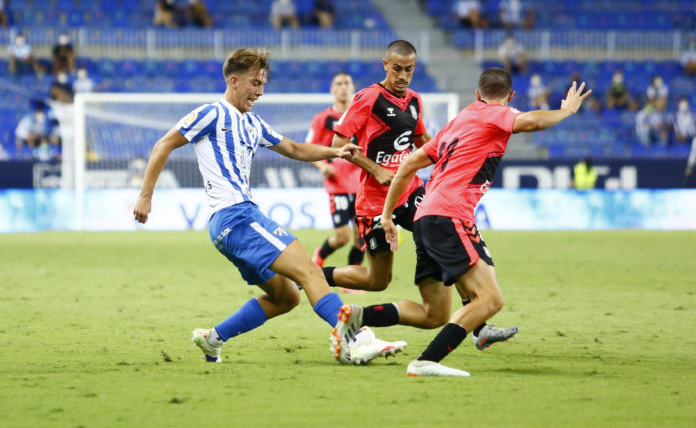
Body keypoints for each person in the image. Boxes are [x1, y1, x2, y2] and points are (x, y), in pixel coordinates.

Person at [133, 47, 405, 366]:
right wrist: (145, 196)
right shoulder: (212, 114)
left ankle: (213, 339)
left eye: (263, 84)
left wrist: (337, 152)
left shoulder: (253, 123)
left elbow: (292, 147)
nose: (260, 91)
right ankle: (357, 339)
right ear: (234, 81)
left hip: (228, 228)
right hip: (237, 217)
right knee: (309, 270)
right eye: (255, 83)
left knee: (286, 297)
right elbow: (163, 143)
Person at [335, 70, 592, 376]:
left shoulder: (460, 120)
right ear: (510, 98)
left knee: (434, 313)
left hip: (426, 217)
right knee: (491, 298)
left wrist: (389, 215)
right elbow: (532, 122)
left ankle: (358, 316)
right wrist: (566, 111)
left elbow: (407, 164)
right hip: (449, 216)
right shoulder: (495, 114)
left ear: (476, 94)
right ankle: (426, 362)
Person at [328, 41, 517, 359]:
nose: (403, 76)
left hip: (412, 192)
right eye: (397, 68)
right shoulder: (368, 97)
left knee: (448, 238)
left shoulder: (414, 101)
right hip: (375, 201)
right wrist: (375, 169)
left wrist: (452, 153)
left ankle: (479, 323)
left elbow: (424, 142)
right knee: (377, 280)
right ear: (385, 65)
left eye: (409, 70)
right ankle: (316, 275)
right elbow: (338, 142)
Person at [305, 72, 365, 290]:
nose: (343, 87)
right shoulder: (323, 118)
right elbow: (309, 146)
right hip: (338, 185)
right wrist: (322, 165)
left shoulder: (361, 115)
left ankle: (353, 280)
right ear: (332, 89)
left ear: (353, 87)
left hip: (362, 184)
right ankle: (319, 256)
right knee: (341, 237)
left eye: (347, 83)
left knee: (362, 236)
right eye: (338, 83)